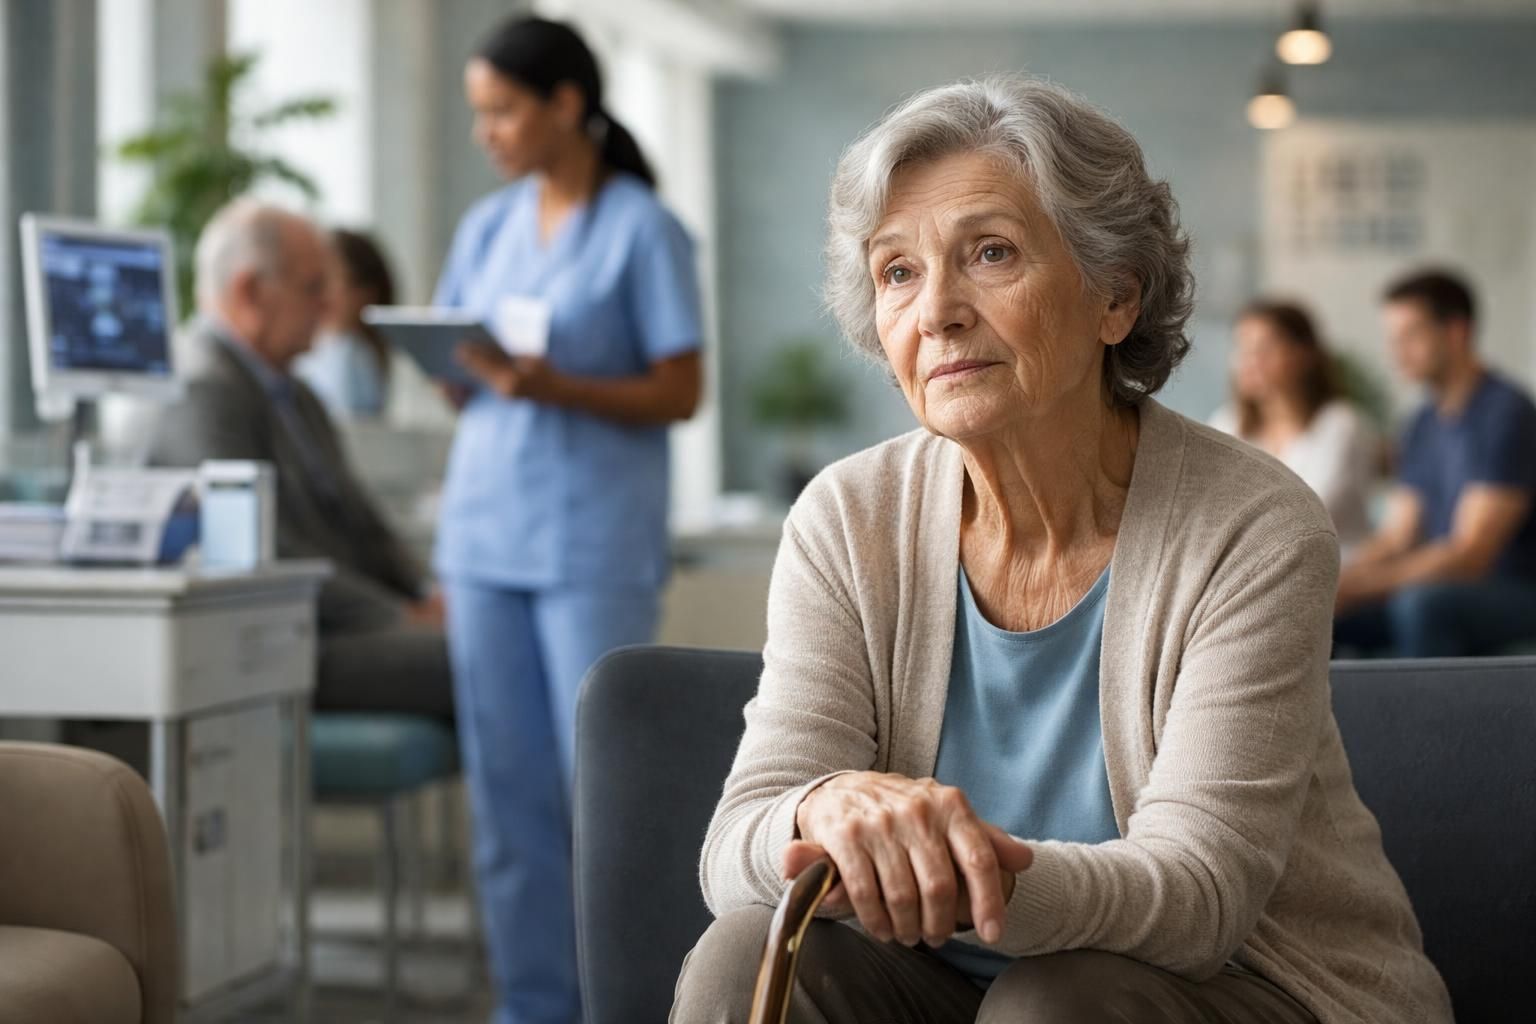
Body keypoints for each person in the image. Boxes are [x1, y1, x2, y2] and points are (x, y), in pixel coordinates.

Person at [671, 76, 1450, 1024]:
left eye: (989, 253)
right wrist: (821, 809)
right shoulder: (847, 517)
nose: (937, 312)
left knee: (1054, 1005)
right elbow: (735, 847)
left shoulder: (1254, 524)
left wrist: (961, 874)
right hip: (949, 987)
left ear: (1114, 296)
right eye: (897, 272)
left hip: (1249, 987)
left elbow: (1200, 895)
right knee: (743, 956)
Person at [434, 16, 703, 1024]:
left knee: (610, 798)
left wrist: (558, 387)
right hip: (484, 538)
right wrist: (459, 373)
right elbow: (470, 377)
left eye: (502, 110)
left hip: (590, 544)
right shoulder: (486, 229)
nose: (488, 132)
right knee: (508, 804)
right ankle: (533, 1006)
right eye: (479, 113)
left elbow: (681, 389)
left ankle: (628, 1005)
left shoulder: (644, 228)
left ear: (564, 104)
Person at [147, 199, 453, 727]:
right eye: (314, 287)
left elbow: (363, 523)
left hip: (343, 628)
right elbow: (262, 549)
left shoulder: (299, 396)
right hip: (284, 641)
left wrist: (427, 594)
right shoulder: (202, 389)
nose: (331, 306)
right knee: (489, 662)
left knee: (500, 646)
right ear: (249, 292)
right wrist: (401, 617)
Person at [1335, 269, 1536, 657]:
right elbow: (1398, 537)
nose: (1397, 351)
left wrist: (1361, 586)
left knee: (1421, 605)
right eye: (1392, 338)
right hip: (1452, 585)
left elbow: (1470, 554)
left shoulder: (1507, 414)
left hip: (1516, 587)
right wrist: (1334, 581)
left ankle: (1425, 720)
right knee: (1322, 613)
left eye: (1411, 335)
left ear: (1456, 332)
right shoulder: (1421, 424)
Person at [1209, 300, 1379, 553]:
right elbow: (1208, 504)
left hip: (1337, 566)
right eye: (1242, 348)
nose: (1249, 360)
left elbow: (1311, 513)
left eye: (1264, 348)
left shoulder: (1341, 425)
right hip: (1252, 561)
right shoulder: (1227, 423)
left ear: (1302, 354)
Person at [295, 228, 457, 429]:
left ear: (365, 293)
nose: (322, 294)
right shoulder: (325, 351)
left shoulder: (350, 356)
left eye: (330, 281)